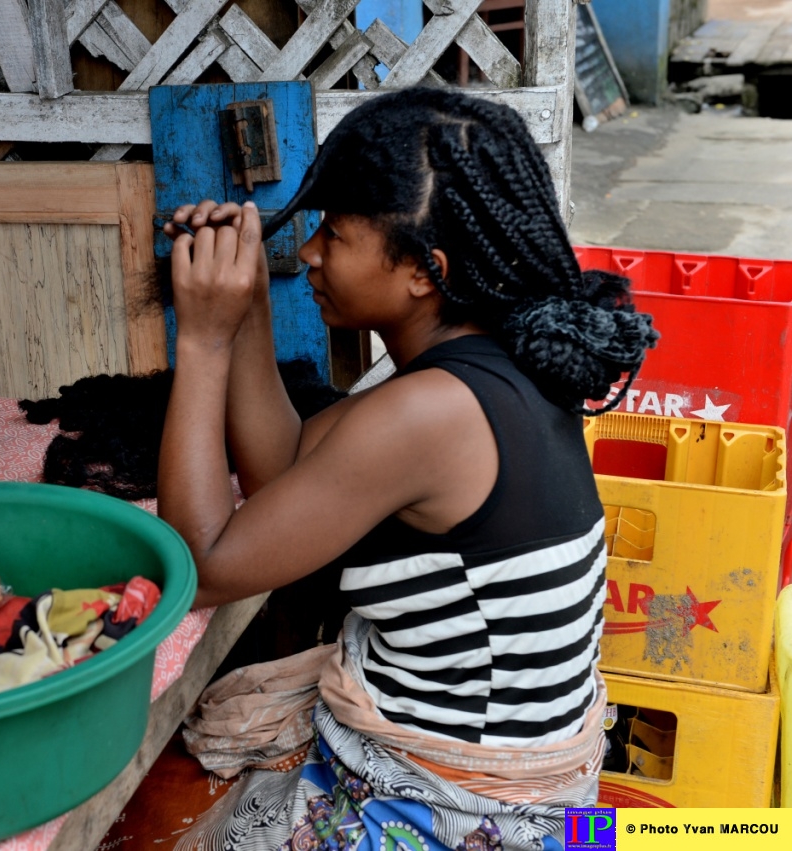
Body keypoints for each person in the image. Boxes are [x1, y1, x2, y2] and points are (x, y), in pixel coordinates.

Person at [155, 87, 658, 851]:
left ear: (425, 270)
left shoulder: (431, 412)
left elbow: (202, 565)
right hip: (512, 777)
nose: (312, 251)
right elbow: (288, 473)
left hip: (459, 812)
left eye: (336, 232)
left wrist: (200, 341)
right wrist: (250, 305)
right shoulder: (483, 367)